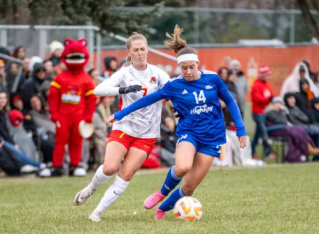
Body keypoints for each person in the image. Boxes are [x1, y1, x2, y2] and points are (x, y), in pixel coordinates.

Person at [103, 25, 247, 220]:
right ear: (179, 67)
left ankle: (162, 208)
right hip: (189, 132)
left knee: (189, 187)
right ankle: (162, 192)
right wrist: (120, 114)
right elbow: (147, 100)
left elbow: (229, 100)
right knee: (182, 167)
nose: (187, 71)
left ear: (198, 64)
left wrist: (241, 129)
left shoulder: (213, 78)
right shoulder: (174, 85)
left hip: (212, 137)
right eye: (183, 68)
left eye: (191, 67)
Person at [72, 32, 169, 221]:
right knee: (110, 168)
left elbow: (173, 89)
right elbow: (98, 89)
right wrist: (122, 90)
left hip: (147, 134)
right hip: (124, 127)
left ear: (147, 50)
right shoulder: (125, 73)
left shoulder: (158, 73)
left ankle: (97, 212)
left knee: (126, 173)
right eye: (136, 50)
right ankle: (90, 189)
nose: (140, 53)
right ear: (129, 52)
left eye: (143, 49)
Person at [46, 38, 97, 177]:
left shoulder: (87, 79)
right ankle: (57, 167)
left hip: (79, 116)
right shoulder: (60, 77)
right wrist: (54, 113)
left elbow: (92, 99)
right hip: (63, 115)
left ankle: (75, 165)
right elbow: (53, 97)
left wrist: (88, 116)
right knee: (60, 142)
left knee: (77, 142)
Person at [0, 91, 46, 173]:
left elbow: (6, 131)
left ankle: (38, 165)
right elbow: (0, 130)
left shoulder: (4, 113)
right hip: (0, 139)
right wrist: (8, 142)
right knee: (18, 152)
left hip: (5, 138)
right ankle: (39, 165)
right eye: (0, 98)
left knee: (20, 150)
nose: (3, 100)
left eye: (4, 98)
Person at [264, 97, 319, 162]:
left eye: (280, 103)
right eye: (277, 103)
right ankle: (307, 149)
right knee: (297, 131)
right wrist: (285, 118)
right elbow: (279, 121)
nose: (279, 105)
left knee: (300, 130)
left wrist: (287, 113)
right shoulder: (270, 113)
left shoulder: (282, 112)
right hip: (276, 130)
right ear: (273, 104)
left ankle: (309, 148)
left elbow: (290, 120)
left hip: (285, 129)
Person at [284, 93, 319, 161]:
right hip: (299, 128)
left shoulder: (296, 108)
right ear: (286, 100)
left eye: (293, 98)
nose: (292, 100)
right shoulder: (286, 109)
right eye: (290, 99)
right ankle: (315, 152)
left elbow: (306, 118)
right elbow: (292, 120)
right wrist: (299, 118)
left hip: (305, 126)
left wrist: (298, 116)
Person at [250, 64, 275, 158]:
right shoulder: (256, 85)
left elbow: (271, 95)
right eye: (268, 75)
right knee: (263, 131)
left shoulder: (266, 85)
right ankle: (267, 151)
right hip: (257, 112)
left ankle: (251, 151)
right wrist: (268, 99)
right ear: (263, 75)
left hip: (263, 112)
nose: (269, 77)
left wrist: (271, 98)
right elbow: (257, 98)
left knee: (258, 134)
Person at [29, 95, 55, 164]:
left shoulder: (47, 111)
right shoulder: (32, 114)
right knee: (50, 143)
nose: (36, 103)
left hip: (54, 133)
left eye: (37, 101)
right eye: (33, 102)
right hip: (41, 135)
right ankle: (49, 162)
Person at [92, 96, 115, 170]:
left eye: (109, 98)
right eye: (106, 98)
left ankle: (113, 164)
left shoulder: (109, 110)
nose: (108, 100)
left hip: (106, 134)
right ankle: (101, 164)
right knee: (102, 143)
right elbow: (97, 127)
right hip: (97, 135)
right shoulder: (97, 112)